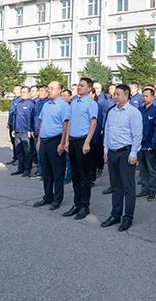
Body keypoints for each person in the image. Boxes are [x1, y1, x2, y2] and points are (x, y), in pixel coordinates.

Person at [101, 84, 143, 231]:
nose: (115, 96)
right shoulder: (111, 112)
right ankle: (115, 214)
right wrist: (105, 150)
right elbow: (107, 131)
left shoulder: (133, 112)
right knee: (115, 186)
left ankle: (128, 217)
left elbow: (137, 135)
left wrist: (133, 153)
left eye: (118, 94)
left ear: (126, 95)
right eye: (114, 94)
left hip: (126, 153)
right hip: (112, 152)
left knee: (128, 187)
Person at [63, 77, 98, 220]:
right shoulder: (73, 102)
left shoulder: (91, 103)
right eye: (78, 85)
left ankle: (85, 206)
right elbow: (69, 121)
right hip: (72, 141)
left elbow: (93, 123)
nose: (79, 87)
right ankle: (76, 204)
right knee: (75, 176)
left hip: (83, 141)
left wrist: (87, 142)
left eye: (82, 86)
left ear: (89, 89)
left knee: (84, 177)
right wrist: (66, 141)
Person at [33, 81, 70, 210]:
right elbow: (42, 123)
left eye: (52, 88)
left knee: (57, 172)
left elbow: (66, 125)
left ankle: (57, 199)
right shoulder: (46, 105)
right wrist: (39, 140)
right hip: (44, 141)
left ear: (60, 90)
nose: (49, 90)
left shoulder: (64, 105)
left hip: (56, 141)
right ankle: (47, 196)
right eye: (48, 88)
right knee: (46, 172)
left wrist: (63, 143)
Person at [137, 87, 156, 201]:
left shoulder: (155, 111)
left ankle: (152, 190)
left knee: (151, 169)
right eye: (143, 95)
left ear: (152, 97)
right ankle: (144, 188)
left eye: (147, 96)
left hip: (150, 145)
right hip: (140, 144)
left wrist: (154, 143)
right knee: (142, 169)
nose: (144, 98)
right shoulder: (140, 110)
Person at [10, 86, 36, 177]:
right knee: (19, 151)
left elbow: (32, 118)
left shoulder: (31, 104)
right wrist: (13, 128)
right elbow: (14, 117)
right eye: (21, 92)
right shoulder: (19, 103)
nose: (22, 94)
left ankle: (27, 169)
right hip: (17, 131)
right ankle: (20, 168)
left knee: (27, 152)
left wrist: (30, 129)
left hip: (26, 132)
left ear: (29, 93)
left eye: (24, 92)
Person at [30, 86, 49, 180]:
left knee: (42, 153)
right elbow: (34, 117)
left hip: (44, 133)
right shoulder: (37, 103)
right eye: (39, 91)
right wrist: (32, 129)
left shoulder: (48, 103)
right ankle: (40, 170)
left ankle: (42, 172)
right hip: (36, 131)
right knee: (38, 153)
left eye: (42, 91)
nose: (40, 93)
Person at [5, 85, 22, 165]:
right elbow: (11, 113)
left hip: (17, 125)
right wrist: (9, 122)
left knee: (17, 143)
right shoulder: (14, 100)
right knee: (13, 142)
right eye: (14, 89)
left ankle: (19, 159)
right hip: (12, 124)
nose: (14, 90)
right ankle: (15, 157)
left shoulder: (21, 100)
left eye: (17, 89)